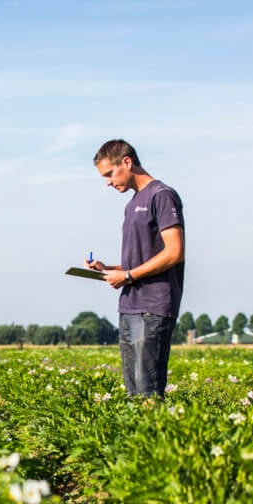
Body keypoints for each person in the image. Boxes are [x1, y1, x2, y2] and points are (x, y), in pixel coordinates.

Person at [85, 139, 185, 397]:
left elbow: (174, 252)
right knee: (133, 392)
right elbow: (140, 259)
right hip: (129, 305)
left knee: (147, 391)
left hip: (154, 306)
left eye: (109, 173)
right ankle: (138, 435)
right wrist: (109, 268)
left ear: (127, 162)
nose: (107, 182)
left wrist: (127, 275)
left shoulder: (162, 195)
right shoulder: (131, 205)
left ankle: (153, 436)